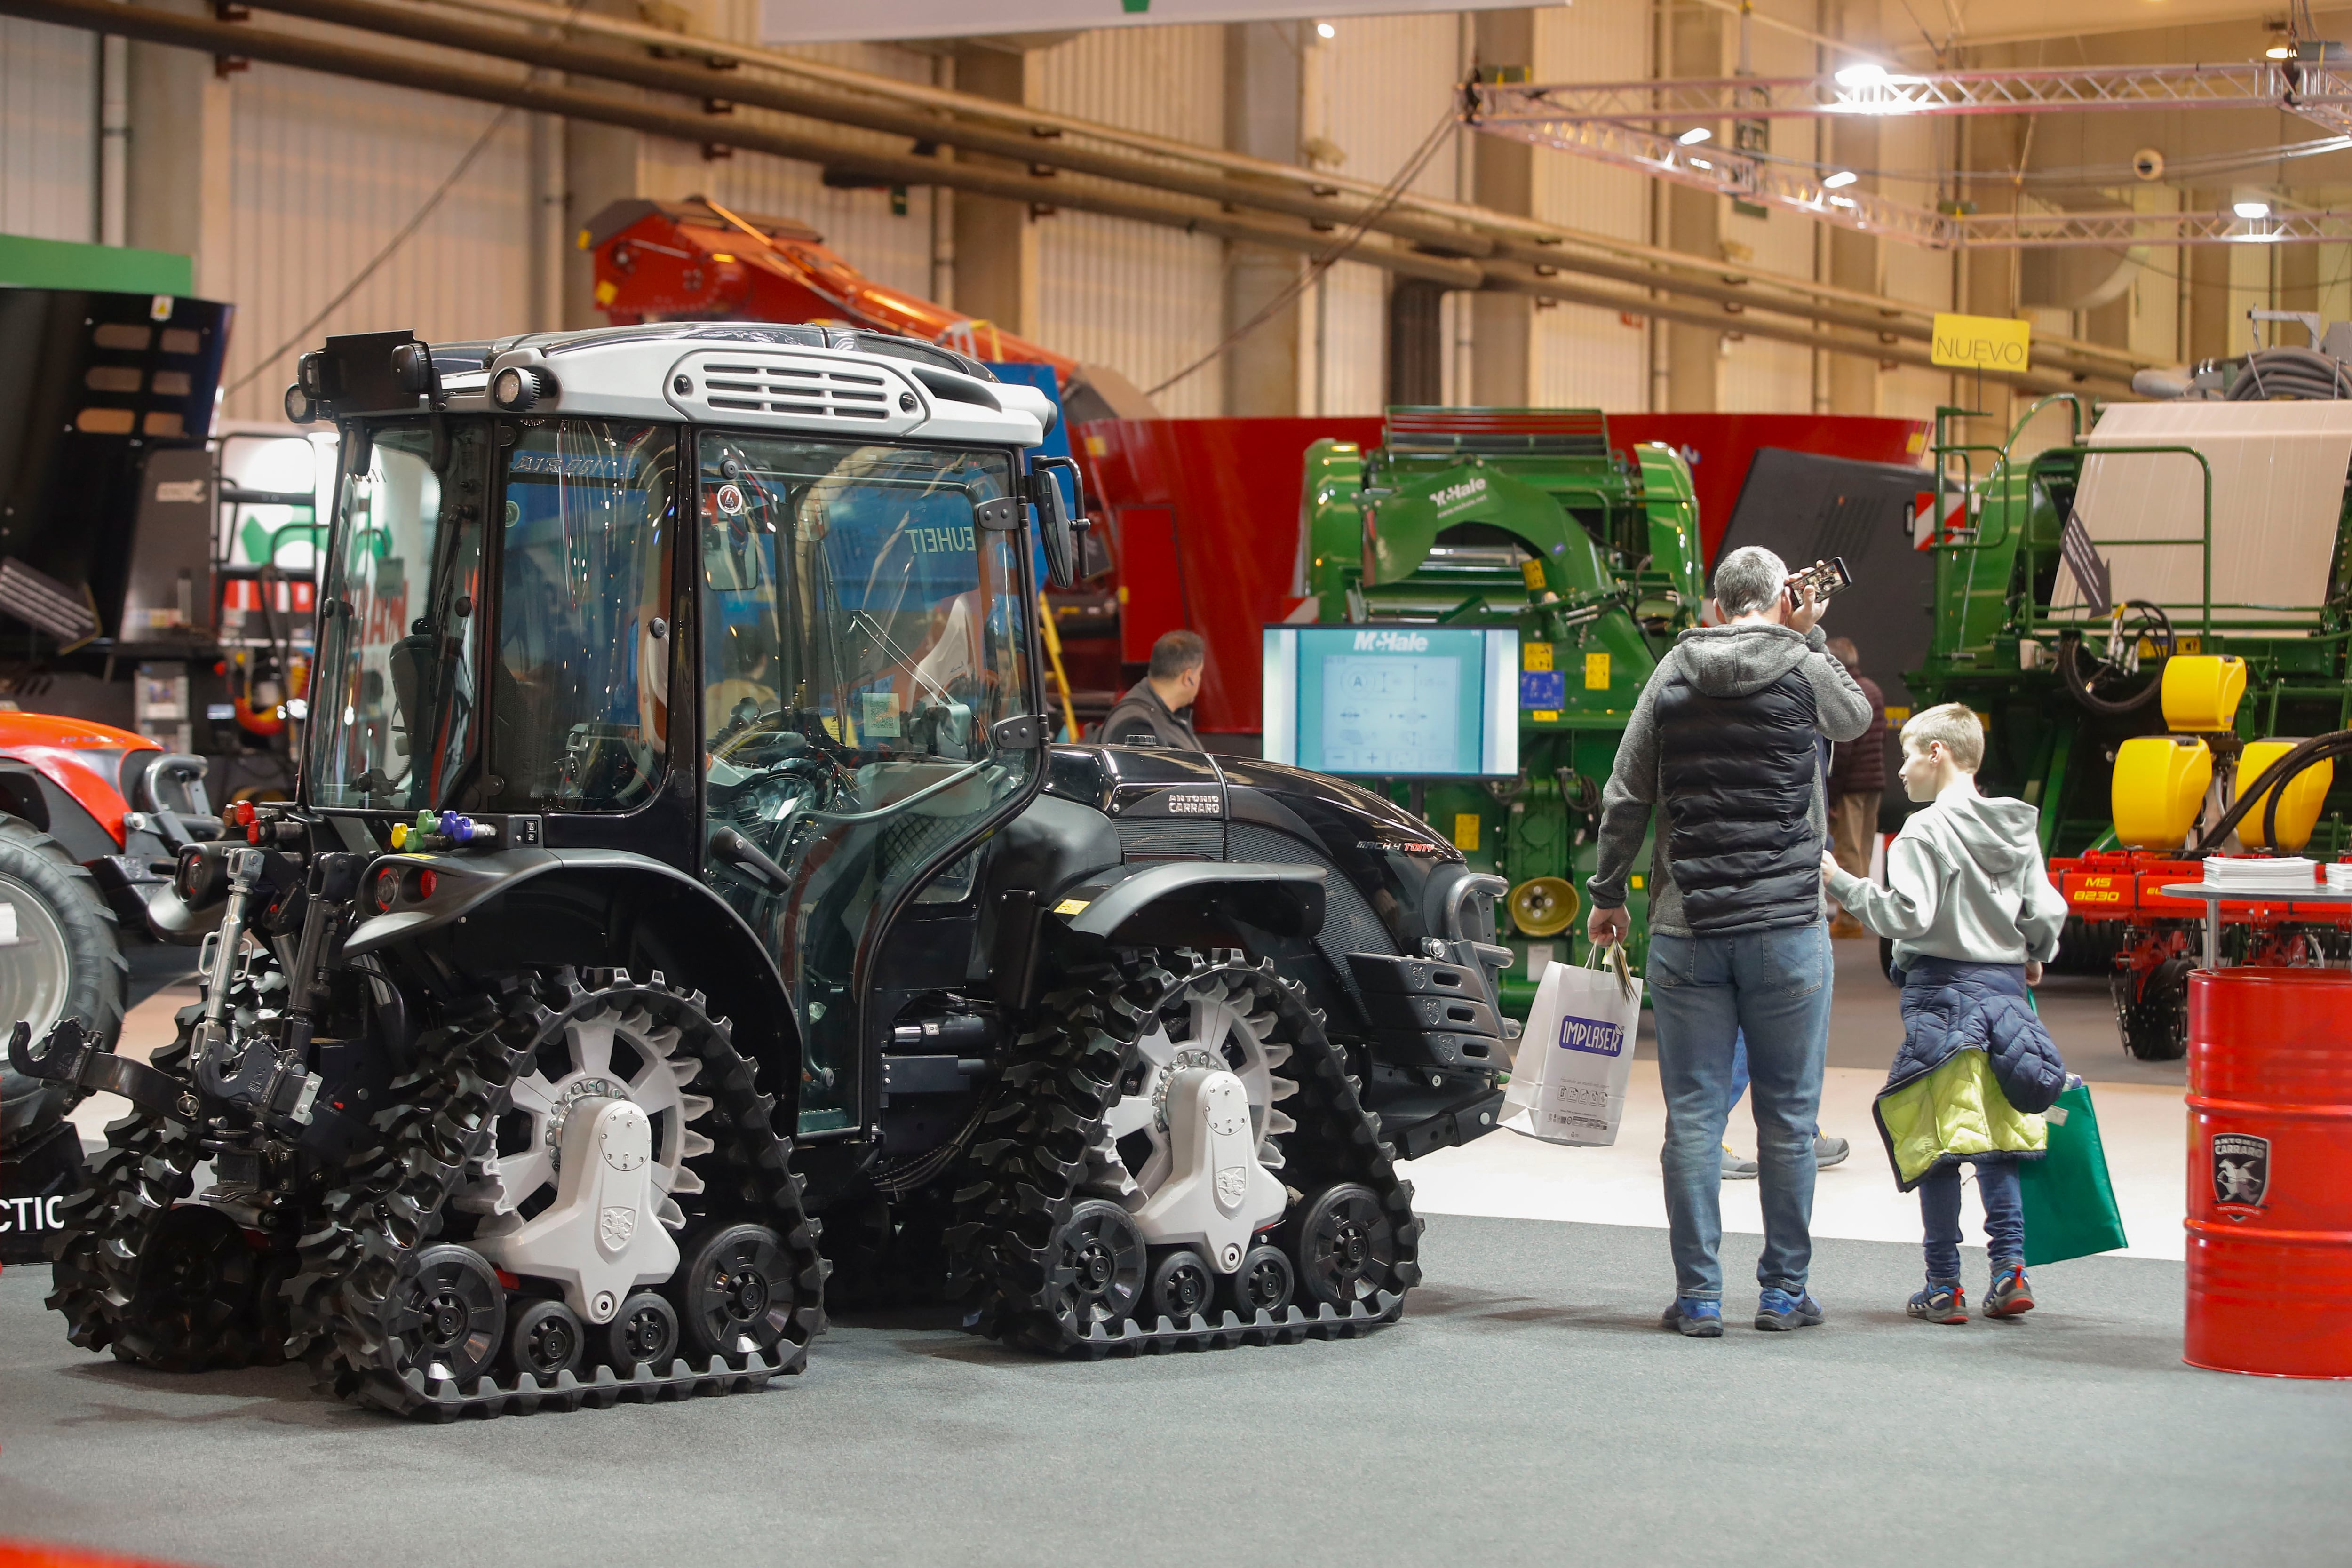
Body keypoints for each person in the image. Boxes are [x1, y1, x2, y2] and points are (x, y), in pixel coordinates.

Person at [1586, 545, 1872, 1338]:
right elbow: (1856, 717)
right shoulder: (1803, 662)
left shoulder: (1674, 671)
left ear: (1717, 606)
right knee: (1787, 1120)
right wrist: (1810, 637)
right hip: (1786, 930)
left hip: (1689, 928)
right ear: (1784, 595)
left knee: (1695, 1119)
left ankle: (1701, 1295)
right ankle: (1783, 1292)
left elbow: (1625, 794)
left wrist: (1607, 895)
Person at [1820, 702, 2070, 1324]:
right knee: (1999, 1138)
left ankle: (1944, 1286)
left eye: (1908, 754)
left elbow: (1910, 917)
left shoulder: (1923, 832)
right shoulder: (2016, 825)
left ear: (1939, 754)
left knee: (1937, 1141)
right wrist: (2031, 954)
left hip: (1940, 995)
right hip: (2007, 994)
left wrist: (1843, 882)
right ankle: (2011, 1272)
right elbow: (2046, 910)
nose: (1900, 770)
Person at [1823, 636, 1887, 940]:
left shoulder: (1846, 692)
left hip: (1850, 787)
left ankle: (1849, 919)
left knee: (1847, 853)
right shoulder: (1873, 688)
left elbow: (1843, 752)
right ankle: (1862, 914)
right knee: (1862, 850)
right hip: (1873, 782)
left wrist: (1831, 796)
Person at [1100, 629, 1206, 749]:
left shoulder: (1166, 717)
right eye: (1199, 673)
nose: (1199, 680)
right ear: (1188, 678)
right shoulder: (1136, 725)